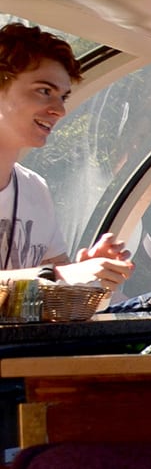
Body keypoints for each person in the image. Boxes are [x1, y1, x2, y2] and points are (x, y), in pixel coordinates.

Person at [0, 21, 133, 289]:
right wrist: (61, 275)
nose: (59, 110)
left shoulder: (34, 189)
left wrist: (89, 271)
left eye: (63, 97)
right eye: (44, 91)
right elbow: (53, 277)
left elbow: (53, 292)